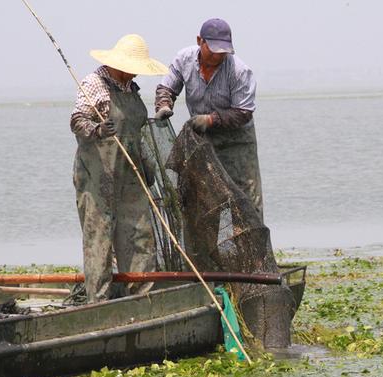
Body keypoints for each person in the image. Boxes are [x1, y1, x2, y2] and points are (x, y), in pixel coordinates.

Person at [70, 34, 168, 303]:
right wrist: (97, 129)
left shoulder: (132, 90)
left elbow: (138, 135)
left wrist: (148, 168)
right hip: (97, 178)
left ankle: (141, 298)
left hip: (131, 178)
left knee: (140, 236)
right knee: (99, 239)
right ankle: (99, 304)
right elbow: (77, 120)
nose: (134, 72)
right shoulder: (95, 84)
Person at [155, 18, 264, 220]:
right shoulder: (183, 59)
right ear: (200, 41)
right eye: (213, 50)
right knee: (207, 198)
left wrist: (211, 119)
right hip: (203, 140)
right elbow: (167, 88)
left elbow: (243, 112)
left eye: (223, 51)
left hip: (237, 142)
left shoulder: (240, 71)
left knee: (245, 199)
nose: (217, 56)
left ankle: (251, 249)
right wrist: (163, 104)